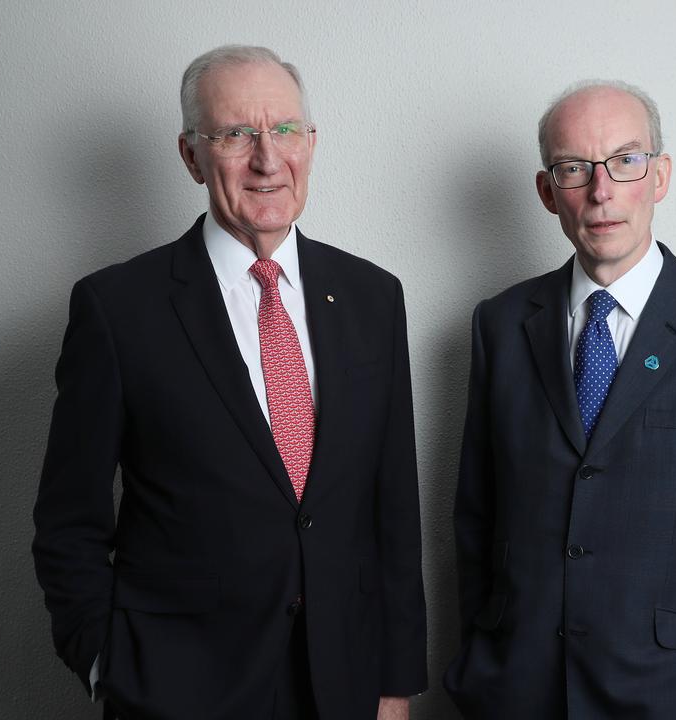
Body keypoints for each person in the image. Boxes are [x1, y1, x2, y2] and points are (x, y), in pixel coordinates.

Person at [31, 45, 427, 720]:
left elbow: (391, 511)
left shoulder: (371, 296)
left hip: (343, 684)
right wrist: (108, 663)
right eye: (236, 134)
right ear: (191, 155)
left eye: (286, 131)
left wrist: (394, 685)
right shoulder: (118, 308)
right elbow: (69, 520)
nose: (268, 159)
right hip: (181, 691)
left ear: (312, 142)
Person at [442, 81, 676, 719]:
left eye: (625, 160)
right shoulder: (500, 325)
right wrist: (479, 675)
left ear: (660, 176)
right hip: (518, 695)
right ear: (547, 191)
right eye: (574, 168)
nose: (602, 190)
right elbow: (477, 522)